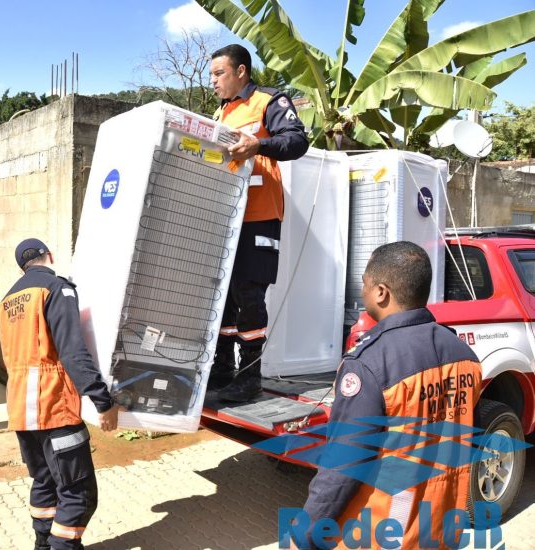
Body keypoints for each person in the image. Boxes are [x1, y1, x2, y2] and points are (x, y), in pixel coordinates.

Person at [301, 242, 482, 548]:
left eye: (365, 284)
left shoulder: (369, 364)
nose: (363, 291)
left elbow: (343, 465)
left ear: (382, 293)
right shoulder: (465, 355)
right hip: (441, 525)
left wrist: (305, 535)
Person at [0, 238, 121, 550]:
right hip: (53, 406)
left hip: (21, 410)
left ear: (22, 267)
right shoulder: (56, 288)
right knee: (78, 491)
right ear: (49, 256)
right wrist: (102, 400)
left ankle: (43, 545)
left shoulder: (7, 301)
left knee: (45, 482)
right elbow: (72, 351)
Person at [206, 44, 309, 402]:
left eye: (219, 73)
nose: (213, 81)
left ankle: (249, 377)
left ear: (241, 72)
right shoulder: (221, 113)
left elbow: (297, 141)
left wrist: (258, 145)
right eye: (212, 75)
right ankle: (221, 371)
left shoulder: (267, 101)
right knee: (223, 298)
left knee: (250, 294)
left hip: (260, 215)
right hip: (225, 217)